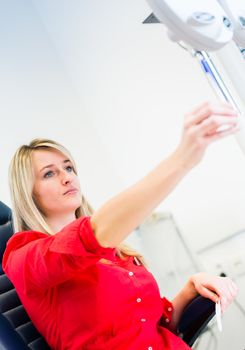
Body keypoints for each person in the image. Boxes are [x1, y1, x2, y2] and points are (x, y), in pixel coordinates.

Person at [2, 101, 239, 350]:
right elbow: (88, 237)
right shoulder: (24, 258)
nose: (67, 177)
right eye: (49, 173)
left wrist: (190, 289)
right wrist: (182, 160)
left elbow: (151, 327)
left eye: (69, 167)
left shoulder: (116, 251)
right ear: (28, 192)